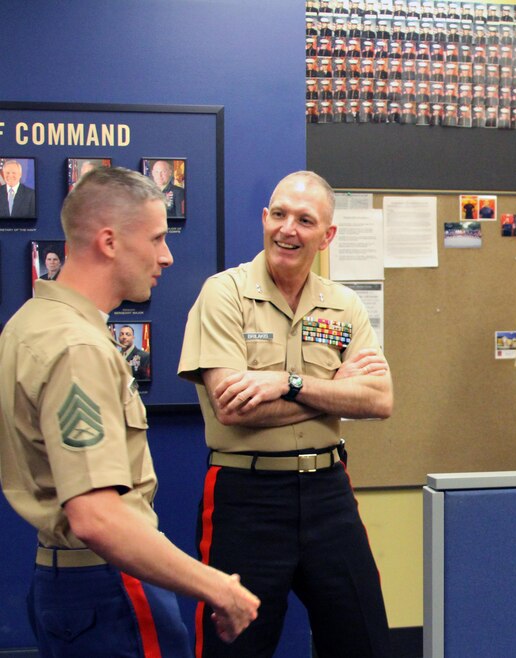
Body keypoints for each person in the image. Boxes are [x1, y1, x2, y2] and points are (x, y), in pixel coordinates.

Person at [0, 167, 259, 657]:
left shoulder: (30, 324)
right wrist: (217, 588)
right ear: (109, 241)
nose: (167, 255)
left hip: (64, 584)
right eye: (157, 237)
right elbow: (98, 518)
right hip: (108, 586)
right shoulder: (78, 347)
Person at [178, 171, 393, 657]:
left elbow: (379, 400)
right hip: (245, 499)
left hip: (328, 495)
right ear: (264, 219)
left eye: (304, 219)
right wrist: (332, 391)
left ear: (327, 235)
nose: (287, 230)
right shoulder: (224, 294)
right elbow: (231, 408)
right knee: (234, 647)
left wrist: (288, 383)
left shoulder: (344, 306)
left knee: (365, 641)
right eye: (278, 215)